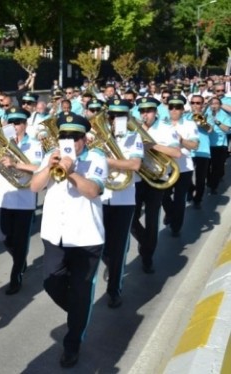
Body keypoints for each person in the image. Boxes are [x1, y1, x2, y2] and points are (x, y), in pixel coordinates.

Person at [30, 113, 108, 368]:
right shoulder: (50, 156)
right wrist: (50, 166)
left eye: (74, 137)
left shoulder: (96, 158)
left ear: (84, 139)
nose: (69, 141)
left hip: (86, 238)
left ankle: (72, 344)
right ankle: (79, 313)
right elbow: (34, 187)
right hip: (55, 235)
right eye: (64, 136)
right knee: (51, 283)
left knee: (81, 291)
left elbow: (93, 190)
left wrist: (71, 171)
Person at [0, 107, 43, 295]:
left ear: (25, 124)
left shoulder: (35, 145)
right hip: (3, 199)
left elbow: (38, 167)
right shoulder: (2, 144)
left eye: (19, 123)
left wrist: (15, 164)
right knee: (3, 237)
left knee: (21, 241)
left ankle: (16, 275)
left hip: (24, 200)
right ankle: (19, 260)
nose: (15, 126)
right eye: (12, 122)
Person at [100, 100, 143, 308]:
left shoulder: (134, 137)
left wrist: (108, 161)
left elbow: (134, 164)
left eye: (121, 116)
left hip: (124, 199)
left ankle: (114, 290)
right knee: (101, 245)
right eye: (112, 116)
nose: (116, 120)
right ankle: (111, 264)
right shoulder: (98, 137)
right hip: (100, 197)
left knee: (117, 247)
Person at [130, 97, 182, 273]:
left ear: (155, 112)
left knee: (152, 219)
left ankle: (147, 257)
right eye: (142, 111)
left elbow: (176, 152)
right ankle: (145, 242)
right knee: (130, 218)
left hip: (156, 178)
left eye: (149, 111)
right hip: (136, 179)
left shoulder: (167, 129)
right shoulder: (133, 130)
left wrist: (153, 146)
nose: (145, 114)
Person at [161, 94, 198, 237]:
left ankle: (176, 227)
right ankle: (170, 213)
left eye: (178, 107)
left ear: (183, 109)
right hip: (165, 167)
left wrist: (181, 140)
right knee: (162, 195)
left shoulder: (190, 124)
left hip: (184, 167)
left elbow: (194, 145)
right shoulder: (162, 123)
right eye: (171, 107)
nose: (174, 110)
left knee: (179, 198)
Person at [187, 95, 211, 208]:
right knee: (186, 177)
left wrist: (200, 119)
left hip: (203, 151)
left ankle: (198, 200)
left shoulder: (208, 115)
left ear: (202, 105)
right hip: (188, 151)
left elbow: (210, 129)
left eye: (198, 103)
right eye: (193, 103)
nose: (195, 105)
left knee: (200, 178)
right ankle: (190, 188)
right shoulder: (185, 116)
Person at [206, 97, 230, 194]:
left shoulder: (225, 116)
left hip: (219, 144)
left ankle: (213, 186)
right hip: (207, 143)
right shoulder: (206, 113)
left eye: (216, 103)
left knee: (217, 167)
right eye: (212, 104)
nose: (214, 106)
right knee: (206, 167)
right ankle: (209, 181)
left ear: (220, 105)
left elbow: (227, 130)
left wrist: (217, 121)